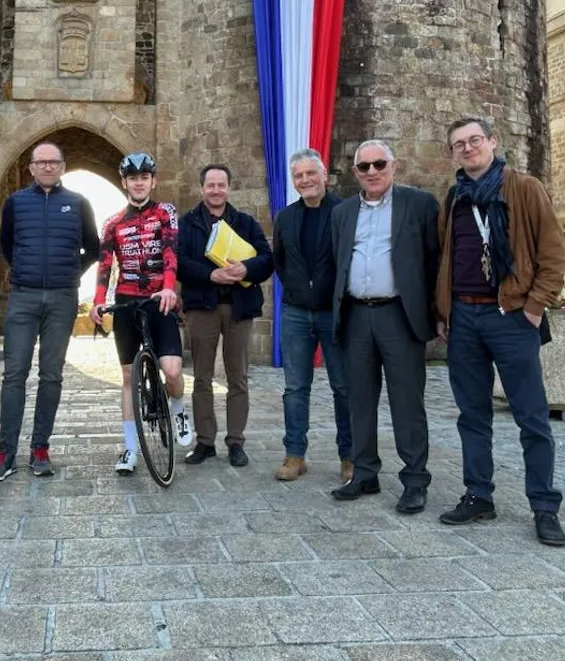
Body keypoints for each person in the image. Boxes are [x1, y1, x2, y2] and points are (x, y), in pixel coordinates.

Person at [435, 117, 565, 546]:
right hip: (464, 319)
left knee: (531, 416)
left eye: (475, 140)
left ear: (493, 141)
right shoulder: (455, 198)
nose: (468, 148)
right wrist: (443, 310)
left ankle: (544, 506)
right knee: (472, 415)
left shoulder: (525, 188)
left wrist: (533, 307)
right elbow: (446, 258)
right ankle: (479, 495)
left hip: (511, 316)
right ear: (452, 153)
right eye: (459, 144)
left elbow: (553, 253)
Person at [330, 140, 439, 514]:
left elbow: (434, 261)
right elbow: (339, 261)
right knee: (358, 399)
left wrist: (436, 313)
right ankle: (364, 473)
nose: (372, 172)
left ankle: (414, 480)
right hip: (357, 314)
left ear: (394, 166)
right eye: (364, 167)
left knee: (407, 401)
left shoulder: (420, 205)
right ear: (355, 172)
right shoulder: (343, 213)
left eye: (379, 164)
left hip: (400, 314)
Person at [0, 142, 100, 481]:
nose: (48, 167)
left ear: (62, 166)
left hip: (62, 299)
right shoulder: (16, 203)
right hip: (24, 296)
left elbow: (93, 248)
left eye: (54, 162)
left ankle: (39, 447)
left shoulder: (78, 203)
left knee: (51, 375)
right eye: (41, 162)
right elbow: (6, 245)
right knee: (14, 373)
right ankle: (6, 451)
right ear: (31, 168)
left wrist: (70, 273)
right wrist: (24, 269)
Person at [91, 152, 193, 474]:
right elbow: (105, 264)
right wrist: (97, 300)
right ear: (124, 182)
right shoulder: (112, 223)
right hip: (126, 300)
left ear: (152, 180)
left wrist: (168, 287)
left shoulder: (165, 213)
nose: (138, 182)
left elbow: (170, 252)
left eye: (144, 177)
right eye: (132, 178)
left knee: (173, 370)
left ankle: (177, 411)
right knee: (127, 379)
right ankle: (130, 449)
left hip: (158, 298)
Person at [177, 164, 274, 468]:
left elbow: (267, 260)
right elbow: (177, 263)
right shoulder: (187, 223)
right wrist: (211, 275)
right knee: (202, 377)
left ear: (229, 188)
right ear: (201, 188)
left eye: (221, 185)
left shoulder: (244, 222)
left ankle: (236, 442)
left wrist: (247, 269)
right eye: (211, 185)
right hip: (202, 307)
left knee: (238, 377)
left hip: (239, 307)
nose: (216, 190)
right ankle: (205, 442)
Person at [272, 149, 352, 484]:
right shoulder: (286, 218)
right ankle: (295, 455)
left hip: (334, 314)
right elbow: (279, 260)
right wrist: (295, 288)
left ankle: (349, 457)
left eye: (310, 174)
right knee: (295, 387)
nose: (305, 180)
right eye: (298, 176)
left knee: (343, 387)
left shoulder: (345, 212)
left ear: (324, 175)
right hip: (295, 313)